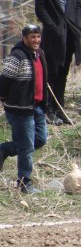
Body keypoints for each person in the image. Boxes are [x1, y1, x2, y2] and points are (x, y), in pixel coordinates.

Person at [34, 0, 81, 126]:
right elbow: (40, 8)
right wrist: (52, 25)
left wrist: (76, 23)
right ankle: (47, 110)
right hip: (53, 34)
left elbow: (77, 4)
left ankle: (59, 109)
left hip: (70, 32)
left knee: (64, 72)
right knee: (51, 73)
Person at [0, 25, 49, 194]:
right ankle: (24, 183)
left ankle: (4, 149)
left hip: (37, 107)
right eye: (32, 37)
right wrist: (4, 98)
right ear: (24, 38)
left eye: (38, 37)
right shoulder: (17, 57)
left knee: (40, 140)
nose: (36, 40)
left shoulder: (39, 54)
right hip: (20, 108)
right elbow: (4, 81)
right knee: (26, 147)